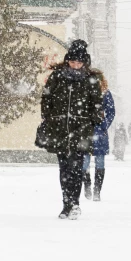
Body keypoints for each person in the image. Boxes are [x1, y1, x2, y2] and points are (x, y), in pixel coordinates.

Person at [40, 40, 103, 220]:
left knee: (76, 168)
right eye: (73, 61)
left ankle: (75, 204)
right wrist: (48, 116)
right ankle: (66, 205)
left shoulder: (90, 79)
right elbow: (46, 98)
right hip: (60, 130)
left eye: (79, 62)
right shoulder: (57, 76)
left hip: (81, 130)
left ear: (85, 62)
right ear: (68, 60)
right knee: (64, 169)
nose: (76, 65)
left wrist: (93, 118)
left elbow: (96, 103)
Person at [82, 69, 115, 201]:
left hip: (100, 134)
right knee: (84, 163)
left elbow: (111, 112)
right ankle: (87, 186)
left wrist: (103, 125)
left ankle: (97, 190)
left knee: (100, 162)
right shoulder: (84, 93)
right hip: (85, 133)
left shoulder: (106, 94)